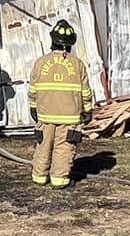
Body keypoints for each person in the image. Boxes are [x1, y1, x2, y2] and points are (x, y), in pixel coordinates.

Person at [28, 19, 93, 187]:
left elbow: (33, 89)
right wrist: (88, 110)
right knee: (64, 148)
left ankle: (39, 177)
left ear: (52, 41)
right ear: (70, 44)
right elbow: (85, 91)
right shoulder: (77, 64)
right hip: (69, 117)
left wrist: (33, 107)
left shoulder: (40, 62)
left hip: (45, 115)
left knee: (43, 145)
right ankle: (59, 179)